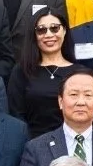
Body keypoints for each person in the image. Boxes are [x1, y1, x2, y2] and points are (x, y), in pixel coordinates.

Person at [9, 8, 79, 140]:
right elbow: (16, 116)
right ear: (34, 35)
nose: (48, 34)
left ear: (64, 31)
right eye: (41, 30)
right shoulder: (21, 71)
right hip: (32, 145)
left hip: (73, 146)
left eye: (54, 28)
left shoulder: (80, 72)